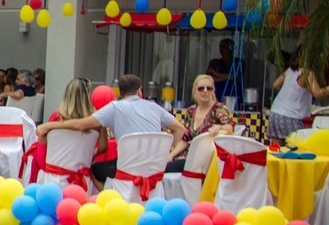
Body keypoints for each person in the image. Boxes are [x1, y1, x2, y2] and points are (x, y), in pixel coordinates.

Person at [37, 74, 185, 187]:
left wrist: (49, 126)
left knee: (96, 170)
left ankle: (109, 199)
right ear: (140, 91)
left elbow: (82, 125)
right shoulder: (155, 107)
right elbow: (180, 129)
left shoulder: (115, 107)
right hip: (154, 169)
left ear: (119, 92)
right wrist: (167, 154)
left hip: (127, 169)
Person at [25, 78, 108, 182]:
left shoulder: (56, 117)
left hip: (54, 179)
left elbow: (43, 154)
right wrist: (88, 155)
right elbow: (103, 146)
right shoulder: (97, 121)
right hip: (82, 180)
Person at [173, 74, 235, 169]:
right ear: (195, 91)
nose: (205, 91)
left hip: (207, 161)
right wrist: (171, 156)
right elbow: (185, 139)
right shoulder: (191, 111)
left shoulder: (219, 109)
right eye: (201, 88)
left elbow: (230, 127)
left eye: (209, 88)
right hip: (189, 158)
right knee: (164, 166)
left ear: (213, 91)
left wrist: (219, 127)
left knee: (168, 169)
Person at [268, 49, 326, 141]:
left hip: (275, 114)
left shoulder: (290, 70)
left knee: (277, 149)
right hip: (290, 117)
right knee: (298, 148)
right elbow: (317, 93)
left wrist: (291, 92)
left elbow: (276, 84)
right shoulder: (307, 73)